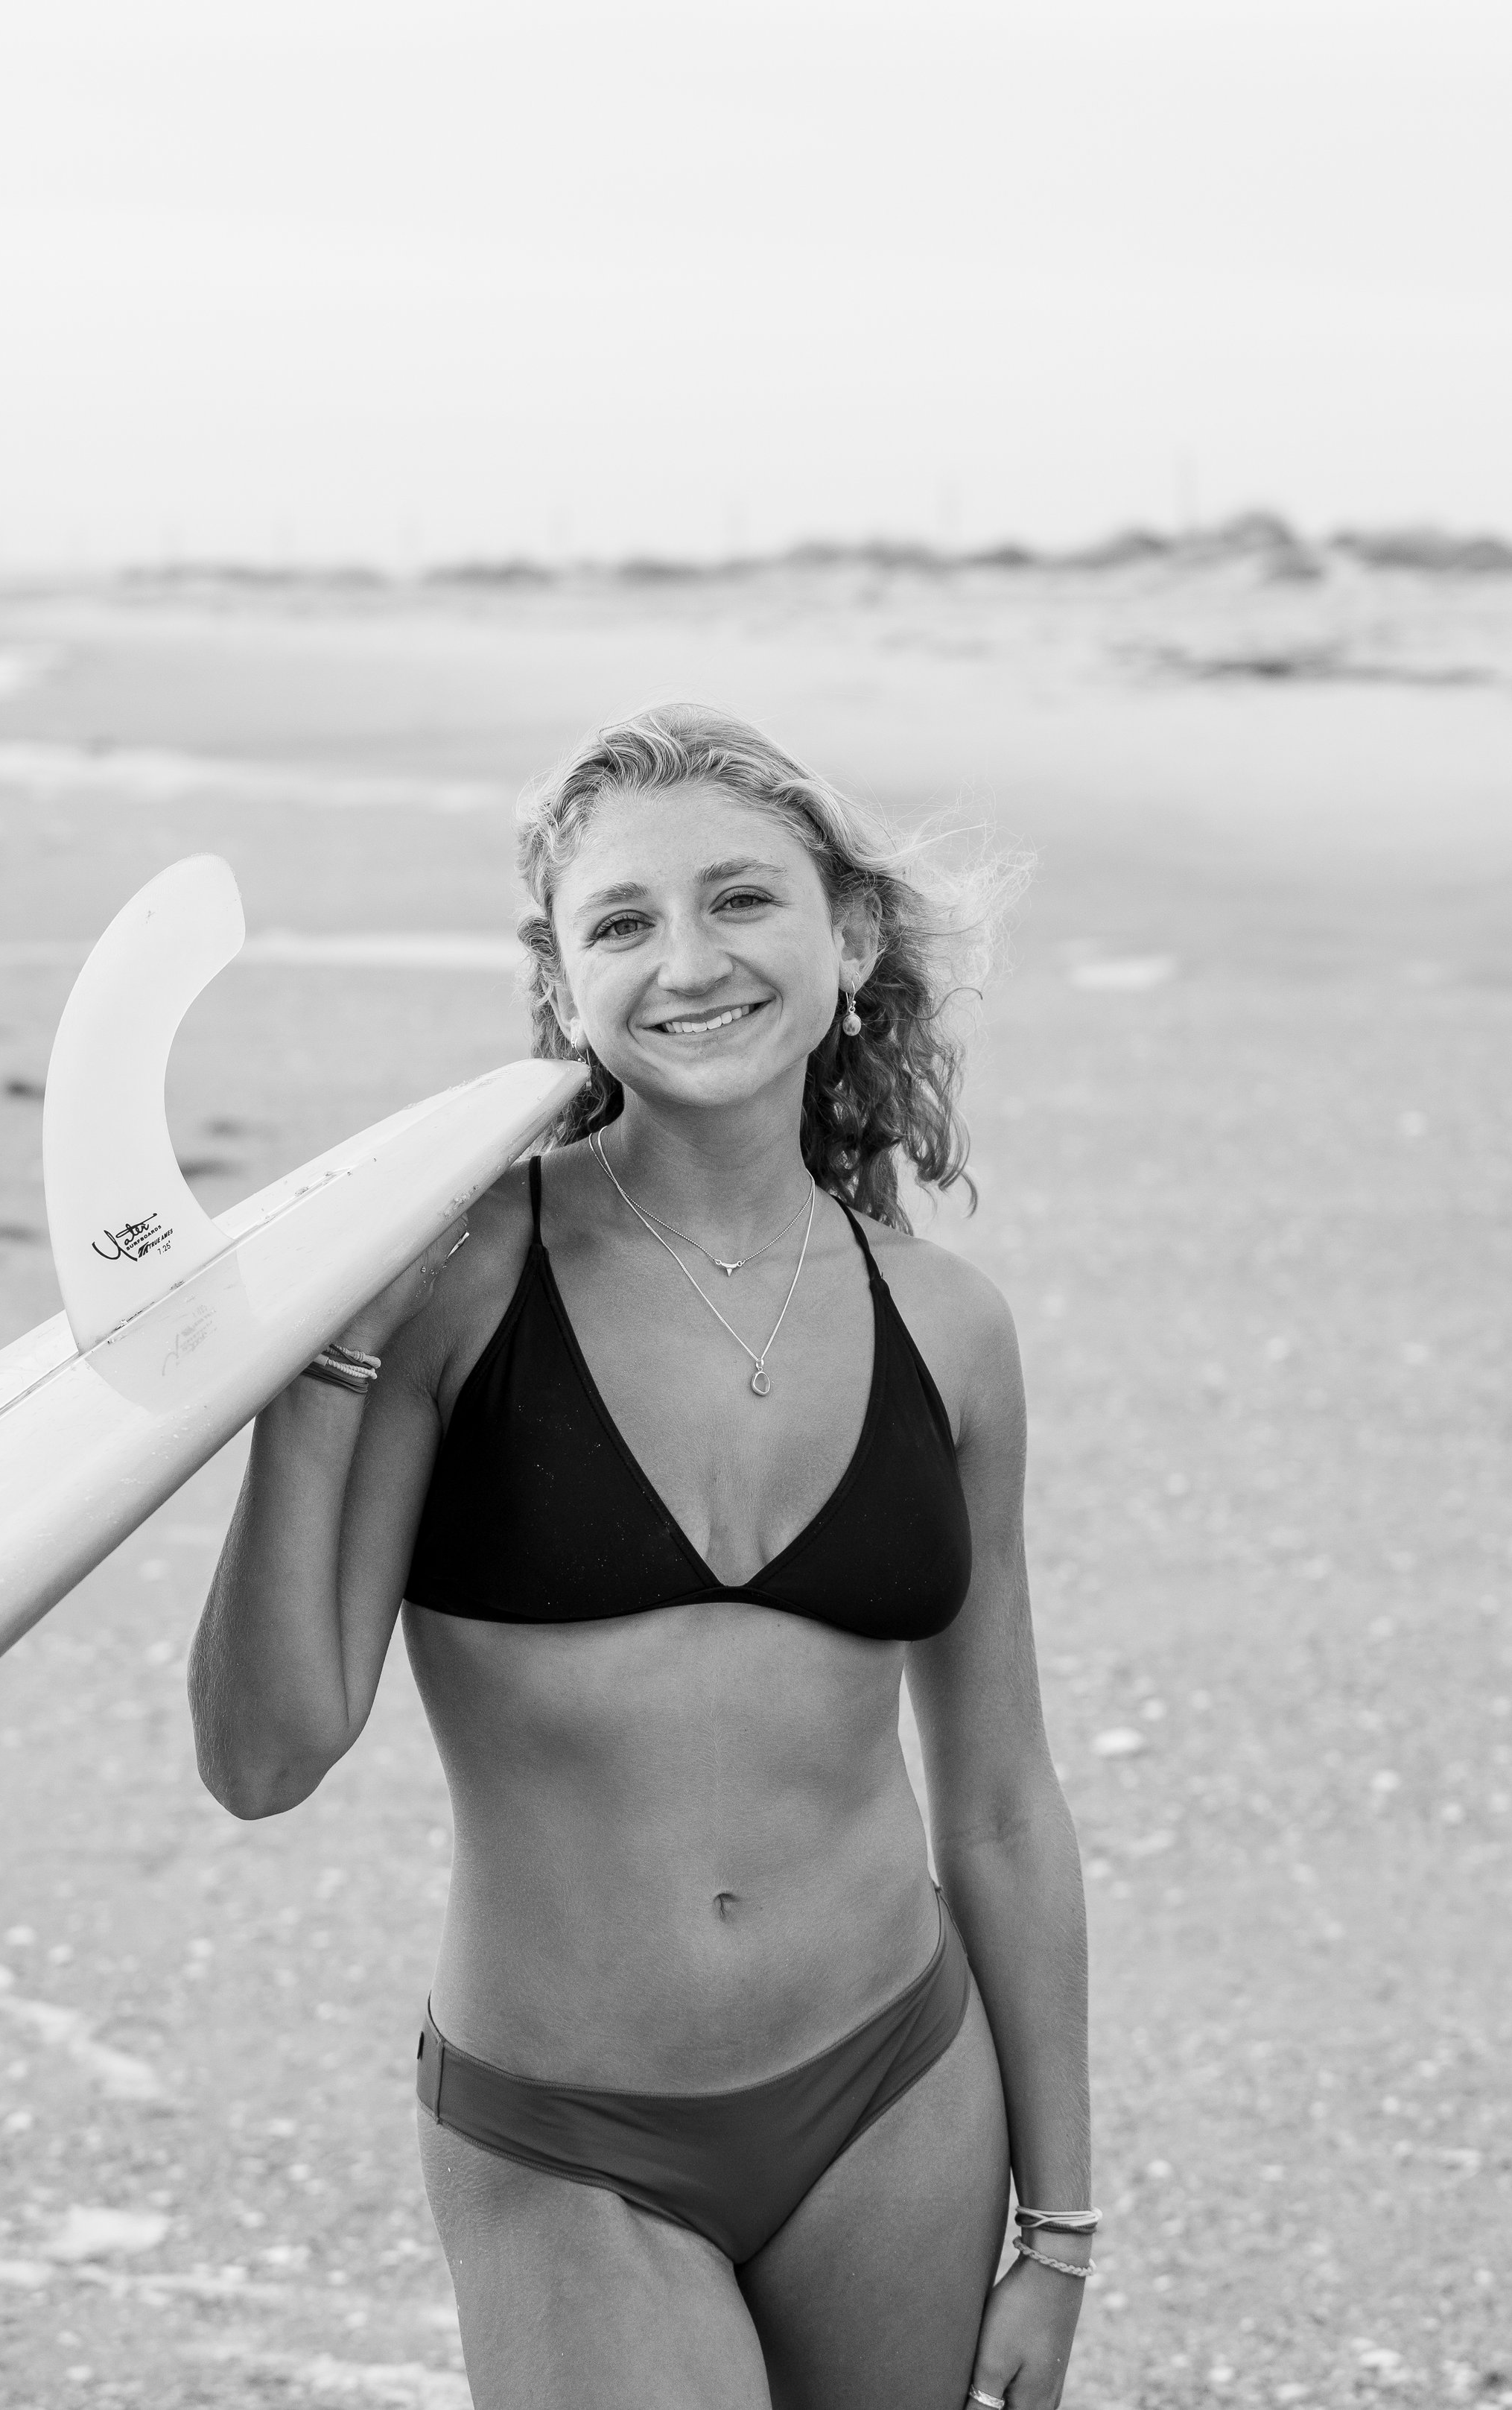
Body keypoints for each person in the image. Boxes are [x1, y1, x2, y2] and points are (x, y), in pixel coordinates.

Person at [189, 704, 1092, 2410]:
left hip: (898, 2083)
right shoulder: (457, 1286)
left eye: (740, 900)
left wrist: (1058, 2227)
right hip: (565, 2131)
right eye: (621, 922)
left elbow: (994, 1800)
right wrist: (314, 1364)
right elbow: (264, 1753)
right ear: (564, 978)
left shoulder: (950, 1332)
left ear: (851, 933)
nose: (687, 961)